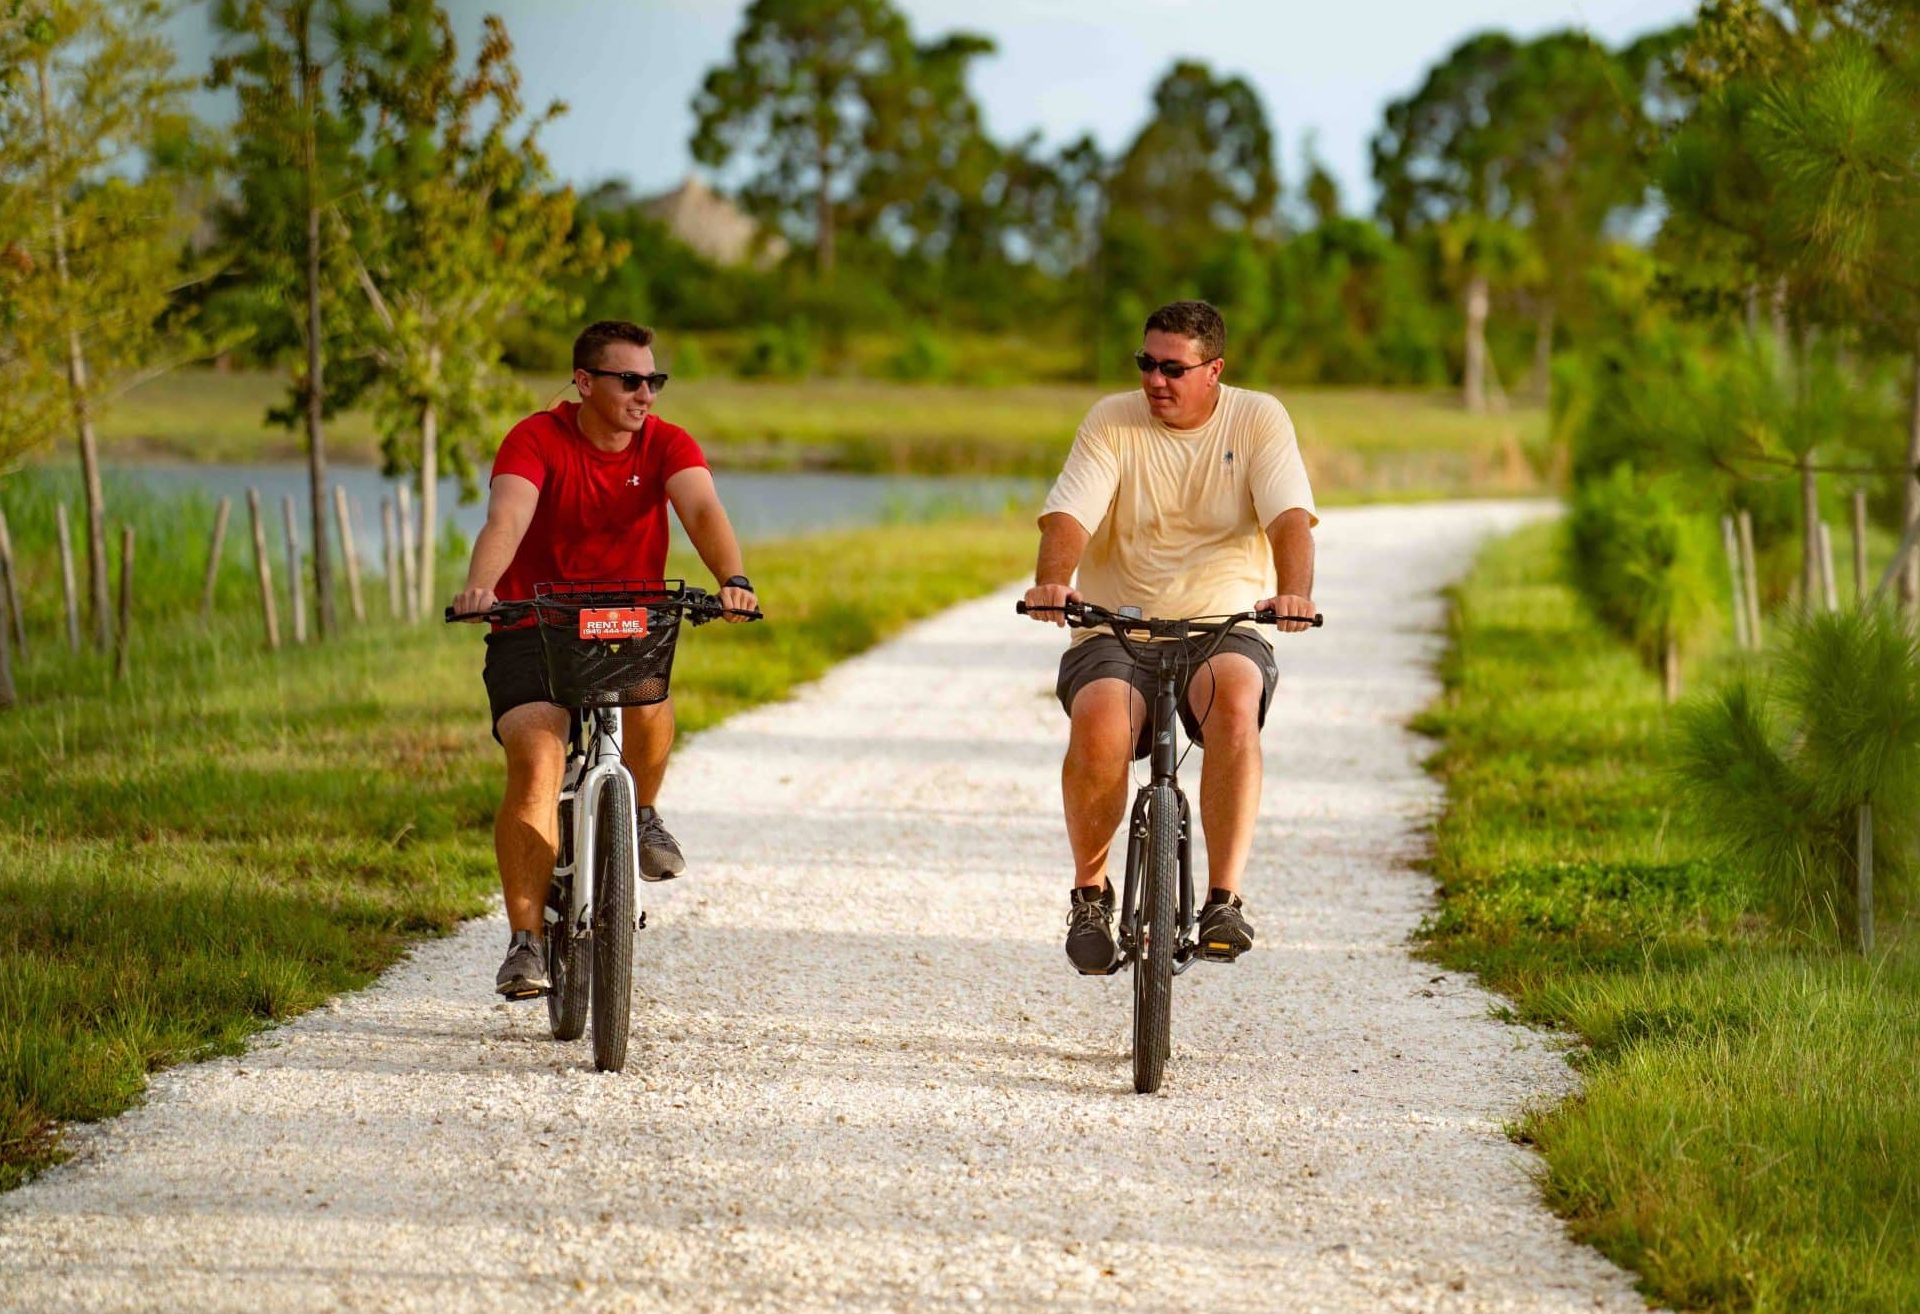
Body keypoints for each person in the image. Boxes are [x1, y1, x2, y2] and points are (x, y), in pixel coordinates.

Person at [451, 320, 759, 998]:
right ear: (585, 383)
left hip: (627, 622)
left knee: (651, 702)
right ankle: (526, 941)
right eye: (630, 380)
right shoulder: (534, 439)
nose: (645, 393)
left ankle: (641, 812)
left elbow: (702, 508)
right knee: (537, 759)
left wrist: (732, 578)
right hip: (534, 622)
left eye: (654, 380)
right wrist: (482, 587)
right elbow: (507, 515)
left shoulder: (667, 443)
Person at [1022, 299, 1317, 974]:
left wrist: (1296, 591)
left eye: (1173, 368)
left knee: (1236, 704)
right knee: (1099, 721)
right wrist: (1052, 582)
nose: (1155, 380)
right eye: (1146, 364)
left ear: (1214, 370)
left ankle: (1223, 900)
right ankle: (1091, 895)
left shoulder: (1258, 417)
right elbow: (1069, 516)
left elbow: (1290, 521)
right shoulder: (1111, 419)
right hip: (1117, 624)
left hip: (1222, 625)